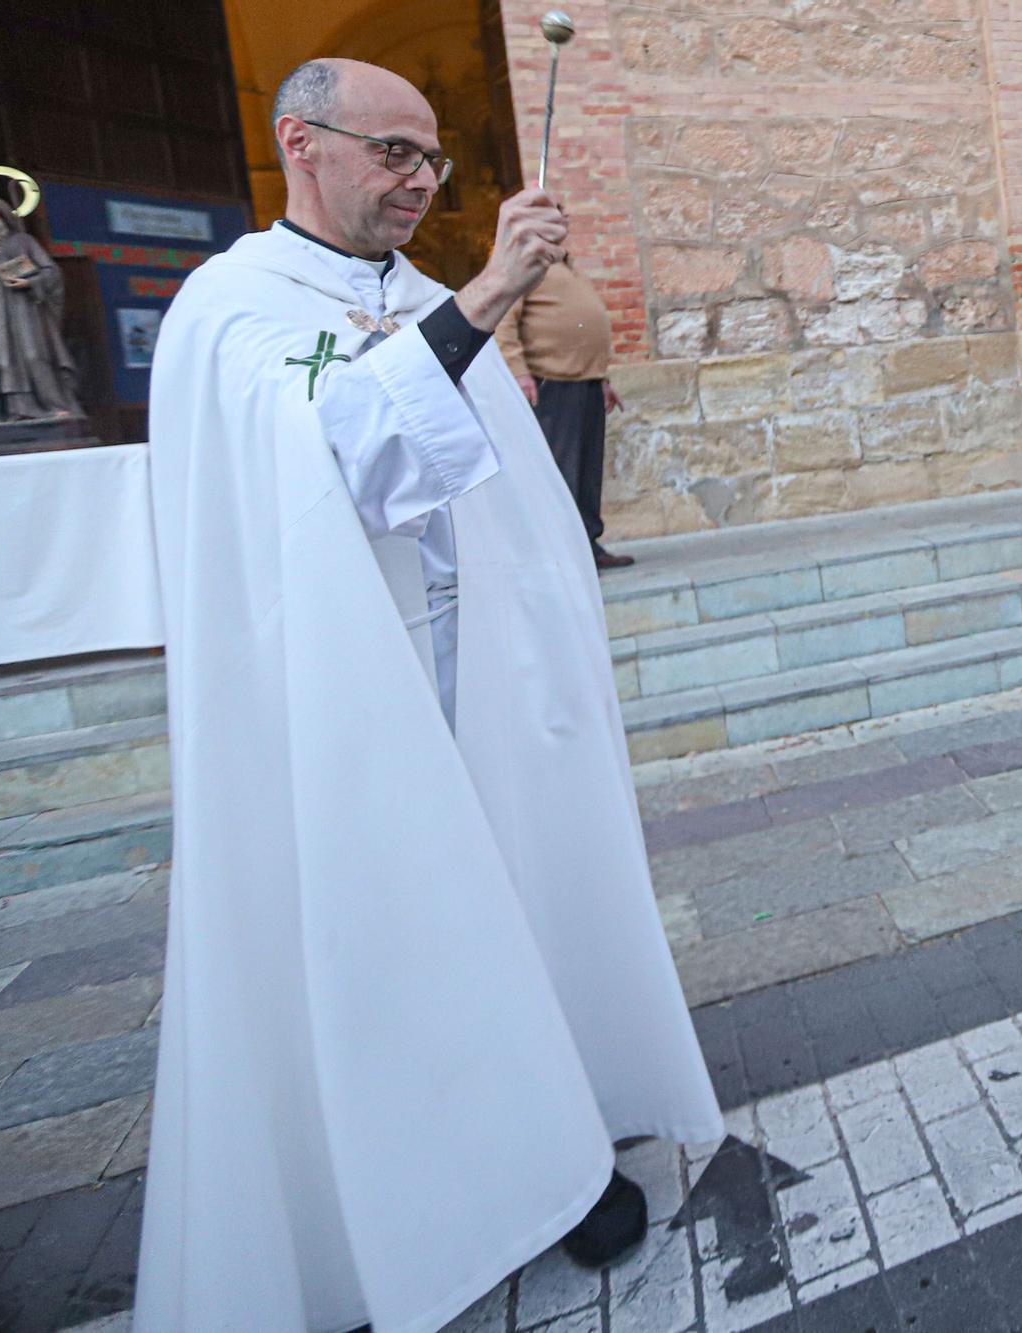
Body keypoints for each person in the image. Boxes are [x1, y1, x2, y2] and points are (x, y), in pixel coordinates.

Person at [141, 58, 722, 1332]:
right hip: (353, 695)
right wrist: (490, 291)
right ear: (303, 142)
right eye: (393, 155)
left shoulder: (413, 294)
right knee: (385, 938)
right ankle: (371, 1216)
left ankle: (553, 1159)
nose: (418, 183)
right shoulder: (231, 307)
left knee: (509, 912)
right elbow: (344, 461)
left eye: (431, 162)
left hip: (484, 684)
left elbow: (507, 496)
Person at [495, 249, 633, 569]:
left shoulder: (567, 268)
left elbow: (583, 325)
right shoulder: (525, 263)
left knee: (587, 471)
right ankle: (564, 555)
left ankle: (588, 545)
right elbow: (504, 320)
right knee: (561, 471)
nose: (561, 223)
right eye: (553, 216)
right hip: (551, 383)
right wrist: (518, 371)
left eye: (562, 216)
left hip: (585, 382)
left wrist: (601, 378)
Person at [0, 195, 82, 419]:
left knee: (34, 354)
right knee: (2, 359)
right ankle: (16, 410)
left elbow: (51, 272)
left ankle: (53, 405)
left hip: (25, 308)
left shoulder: (23, 241)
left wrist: (29, 282)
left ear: (1, 214)